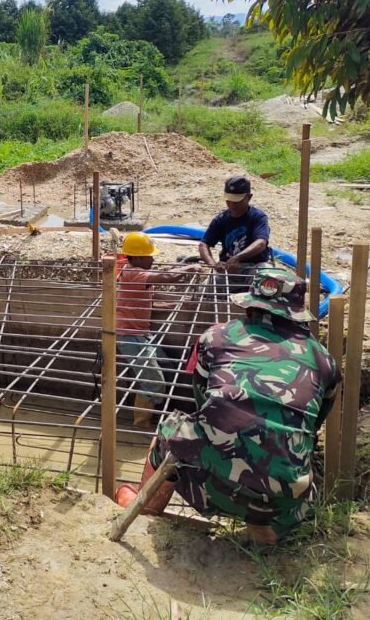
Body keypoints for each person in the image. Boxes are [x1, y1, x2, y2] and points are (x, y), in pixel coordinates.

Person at [115, 268, 341, 546]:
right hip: (282, 503)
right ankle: (264, 533)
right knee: (298, 459)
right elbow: (314, 424)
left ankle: (146, 507)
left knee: (171, 429)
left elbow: (202, 398)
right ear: (296, 311)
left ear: (249, 305)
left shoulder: (216, 336)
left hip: (209, 488)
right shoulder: (324, 361)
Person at [116, 232, 199, 426]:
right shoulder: (132, 274)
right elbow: (167, 277)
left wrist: (178, 305)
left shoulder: (140, 277)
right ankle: (141, 423)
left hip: (143, 335)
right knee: (154, 381)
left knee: (169, 370)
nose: (153, 259)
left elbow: (150, 304)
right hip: (130, 336)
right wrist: (189, 267)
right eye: (149, 256)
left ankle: (156, 414)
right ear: (135, 257)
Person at [198, 175, 272, 292]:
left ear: (248, 197)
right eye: (229, 201)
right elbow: (203, 245)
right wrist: (213, 264)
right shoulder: (221, 219)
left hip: (254, 267)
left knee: (267, 282)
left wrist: (238, 258)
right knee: (202, 292)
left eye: (237, 201)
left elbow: (261, 243)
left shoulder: (258, 217)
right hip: (228, 270)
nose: (232, 205)